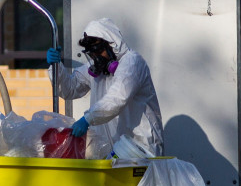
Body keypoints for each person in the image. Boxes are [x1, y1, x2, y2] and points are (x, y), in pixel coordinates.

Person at [46, 17, 163, 156]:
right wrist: (56, 67)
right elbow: (69, 89)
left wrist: (87, 119)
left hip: (140, 150)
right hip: (114, 153)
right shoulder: (97, 68)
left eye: (99, 51)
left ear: (112, 44)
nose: (96, 57)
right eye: (92, 53)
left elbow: (117, 99)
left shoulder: (132, 63)